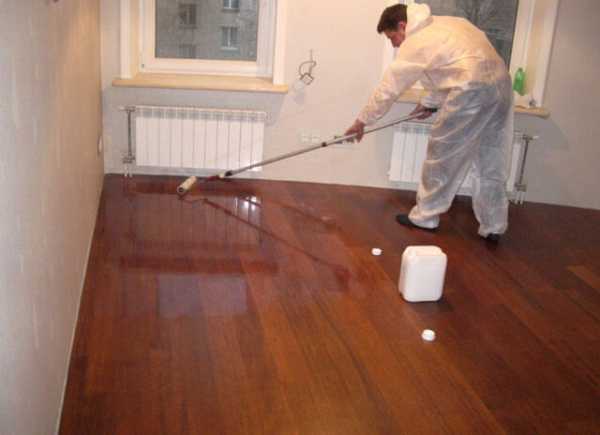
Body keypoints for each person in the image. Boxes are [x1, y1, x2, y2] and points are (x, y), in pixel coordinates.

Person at [346, 3, 514, 243]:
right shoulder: (451, 24)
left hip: (471, 90)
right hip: (501, 86)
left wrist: (362, 121)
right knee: (491, 159)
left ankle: (425, 217)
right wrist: (429, 103)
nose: (394, 45)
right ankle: (494, 224)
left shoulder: (416, 40)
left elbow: (389, 89)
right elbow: (450, 69)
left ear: (402, 25)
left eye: (392, 37)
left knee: (442, 155)